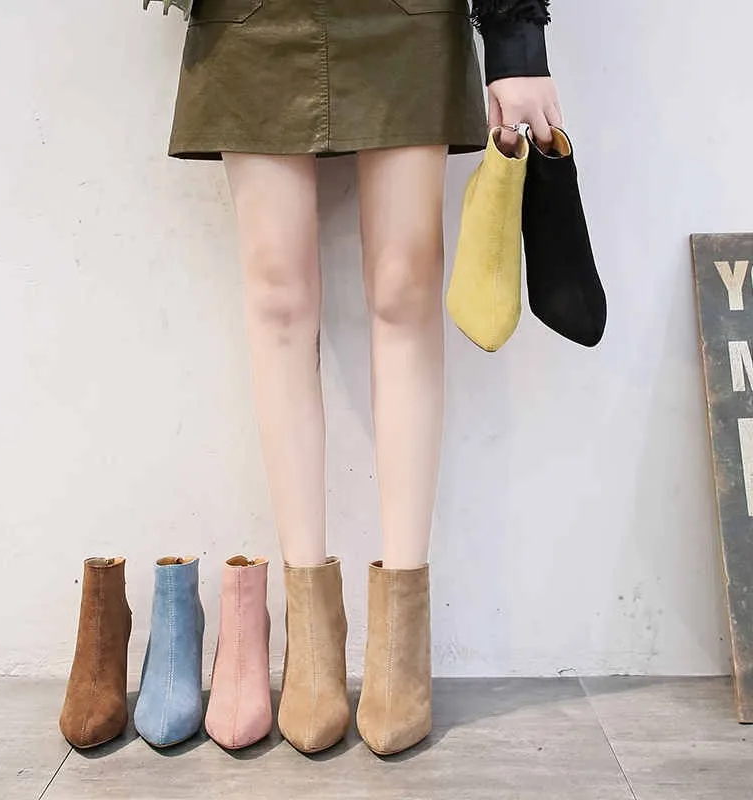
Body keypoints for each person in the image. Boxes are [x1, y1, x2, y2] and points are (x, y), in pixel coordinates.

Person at [166, 0, 562, 756]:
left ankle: (400, 645)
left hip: (407, 14)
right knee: (278, 300)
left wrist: (516, 44)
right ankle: (311, 645)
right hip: (252, 16)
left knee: (405, 291)